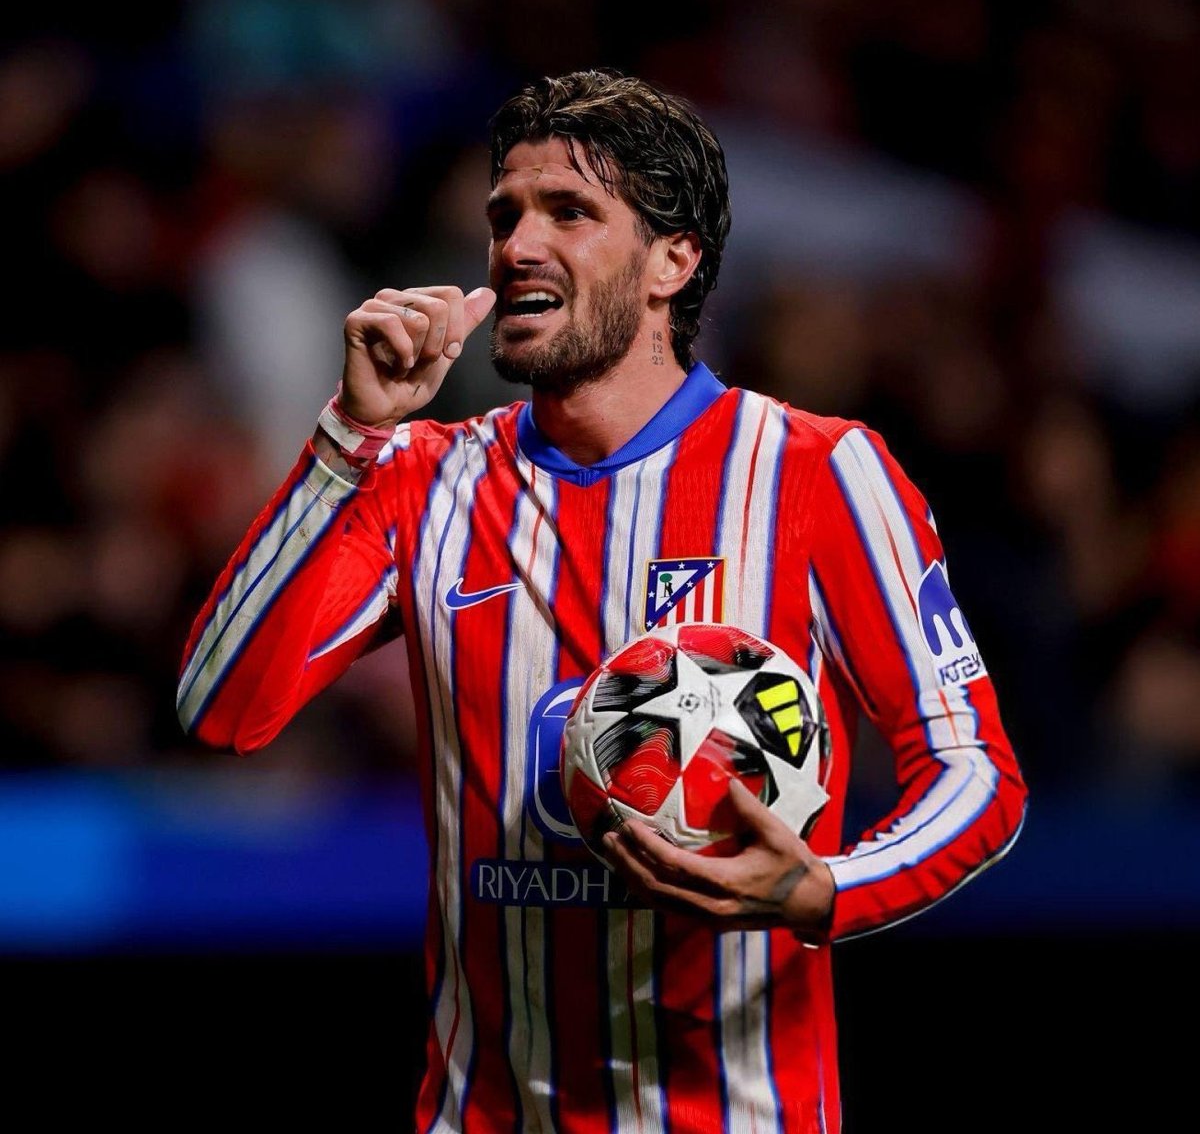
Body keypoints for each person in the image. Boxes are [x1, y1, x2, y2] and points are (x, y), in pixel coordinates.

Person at [177, 68, 1028, 1134]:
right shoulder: (421, 480)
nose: (517, 246)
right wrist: (349, 438)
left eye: (568, 212)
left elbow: (974, 772)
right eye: (505, 216)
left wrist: (825, 891)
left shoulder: (817, 472)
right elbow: (221, 708)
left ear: (674, 261)